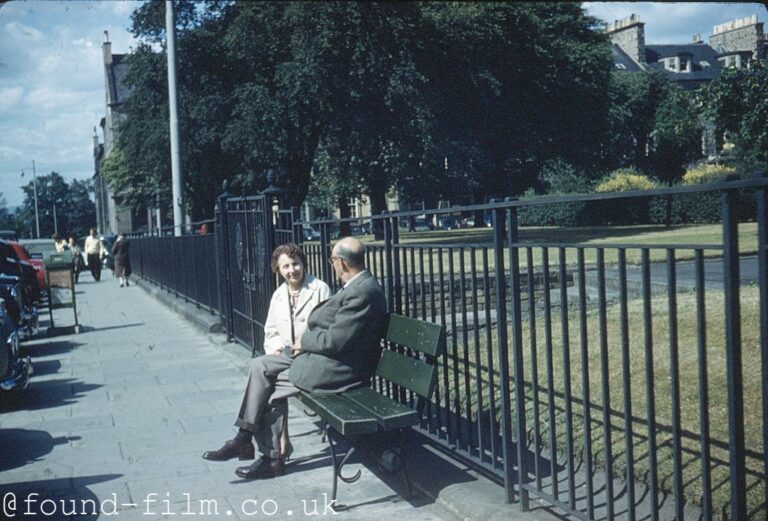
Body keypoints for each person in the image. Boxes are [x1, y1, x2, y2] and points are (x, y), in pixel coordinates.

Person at [202, 237, 387, 480]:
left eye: (332, 260)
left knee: (267, 387)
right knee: (260, 366)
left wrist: (304, 342)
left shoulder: (361, 292)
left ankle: (268, 456)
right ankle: (244, 440)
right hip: (318, 356)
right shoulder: (356, 286)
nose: (332, 265)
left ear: (341, 262)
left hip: (338, 368)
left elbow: (335, 341)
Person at [260, 243, 330, 458]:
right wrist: (276, 348)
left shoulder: (320, 289)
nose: (292, 270)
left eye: (296, 264)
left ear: (303, 263)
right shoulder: (279, 295)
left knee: (268, 387)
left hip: (312, 359)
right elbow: (270, 330)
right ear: (278, 270)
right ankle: (280, 442)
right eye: (286, 266)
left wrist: (304, 344)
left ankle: (276, 447)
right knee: (266, 378)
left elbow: (327, 329)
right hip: (287, 357)